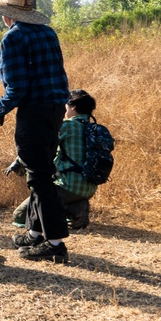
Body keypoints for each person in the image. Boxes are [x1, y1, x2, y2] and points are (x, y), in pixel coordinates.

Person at [0, 0, 71, 264]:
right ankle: (34, 233)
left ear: (7, 14)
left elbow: (17, 88)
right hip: (55, 109)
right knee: (41, 169)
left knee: (39, 177)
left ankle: (55, 243)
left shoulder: (13, 38)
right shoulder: (47, 32)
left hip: (33, 111)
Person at [11, 89, 99, 231]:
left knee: (20, 215)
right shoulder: (93, 128)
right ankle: (77, 206)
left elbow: (41, 145)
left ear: (73, 107)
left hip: (68, 187)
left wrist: (20, 160)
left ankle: (73, 209)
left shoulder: (67, 126)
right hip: (88, 188)